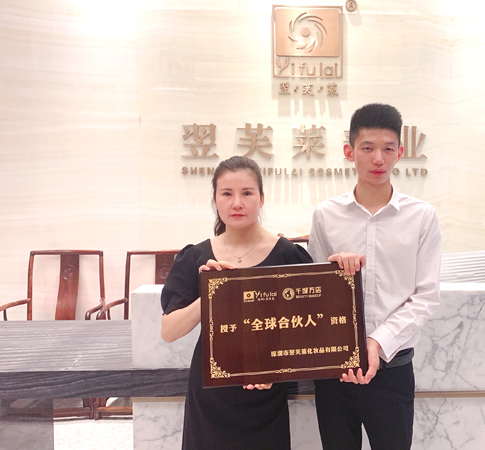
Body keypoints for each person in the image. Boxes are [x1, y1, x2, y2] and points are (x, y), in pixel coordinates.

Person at [308, 103, 442, 449]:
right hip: (335, 371)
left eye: (387, 149)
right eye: (367, 148)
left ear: (400, 152)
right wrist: (331, 271)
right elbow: (314, 292)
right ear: (349, 152)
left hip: (392, 368)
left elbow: (426, 295)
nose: (378, 159)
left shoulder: (421, 217)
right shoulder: (325, 215)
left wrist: (377, 342)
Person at [160, 156, 312, 450]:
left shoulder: (288, 255)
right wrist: (212, 293)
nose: (237, 203)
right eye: (227, 194)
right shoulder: (196, 257)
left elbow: (311, 329)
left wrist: (277, 370)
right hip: (210, 396)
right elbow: (169, 331)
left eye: (247, 193)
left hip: (266, 398)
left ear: (261, 198)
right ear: (215, 200)